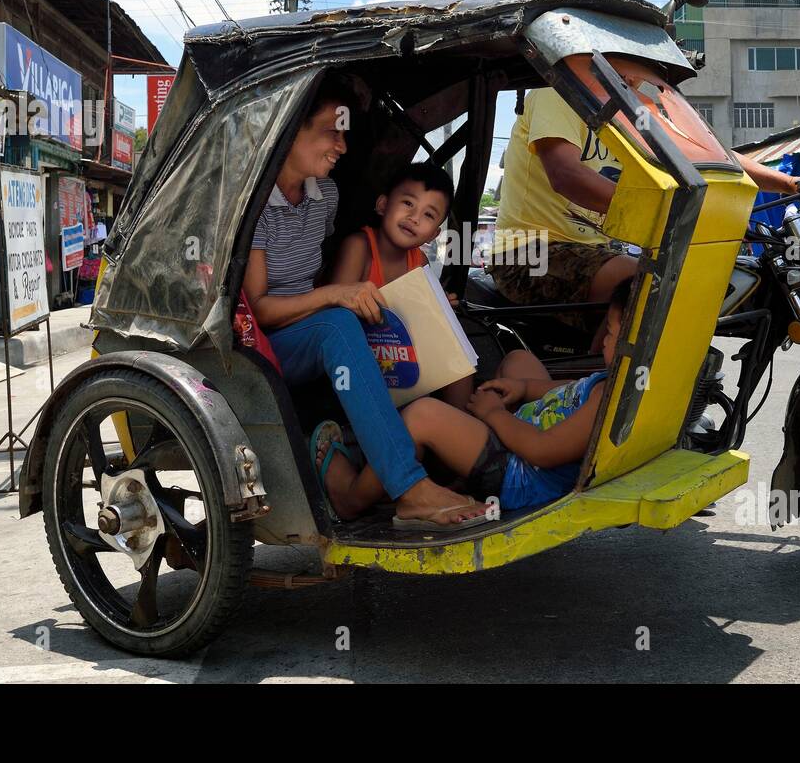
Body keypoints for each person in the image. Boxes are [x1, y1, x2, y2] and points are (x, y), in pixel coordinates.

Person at [242, 74, 487, 530]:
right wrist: (337, 296)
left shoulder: (325, 196)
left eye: (344, 134)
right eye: (331, 132)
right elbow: (262, 308)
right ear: (292, 130)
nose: (341, 145)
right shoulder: (256, 206)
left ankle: (449, 458)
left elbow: (313, 279)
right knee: (337, 322)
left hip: (318, 329)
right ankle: (410, 489)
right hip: (274, 341)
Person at [490, 87, 800, 312]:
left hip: (598, 252)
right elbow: (566, 175)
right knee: (648, 283)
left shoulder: (630, 112)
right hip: (527, 252)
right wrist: (665, 212)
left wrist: (791, 182)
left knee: (710, 281)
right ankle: (602, 391)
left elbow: (710, 156)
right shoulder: (559, 92)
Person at [318, 279, 631, 529]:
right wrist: (522, 387)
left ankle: (352, 497)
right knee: (518, 360)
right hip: (524, 435)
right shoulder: (611, 382)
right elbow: (571, 390)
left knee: (420, 415)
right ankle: (456, 457)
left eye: (612, 334)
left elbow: (542, 451)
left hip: (521, 475)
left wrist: (493, 414)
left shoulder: (608, 398)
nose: (603, 339)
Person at [330, 161, 473, 407]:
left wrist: (439, 310)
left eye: (428, 215)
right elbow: (335, 315)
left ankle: (458, 421)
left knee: (457, 352)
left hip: (401, 354)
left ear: (434, 234)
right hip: (357, 354)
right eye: (408, 203)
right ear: (383, 205)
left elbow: (423, 324)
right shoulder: (359, 247)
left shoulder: (420, 261)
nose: (414, 218)